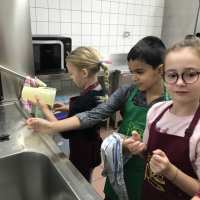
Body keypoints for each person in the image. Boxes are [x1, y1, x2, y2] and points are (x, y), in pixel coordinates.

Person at [26, 36, 168, 200]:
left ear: (160, 70)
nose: (134, 77)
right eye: (132, 71)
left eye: (140, 72)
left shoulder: (173, 101)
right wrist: (53, 127)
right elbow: (94, 114)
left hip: (151, 170)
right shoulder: (128, 92)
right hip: (120, 164)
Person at [126, 38, 200, 199]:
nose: (180, 82)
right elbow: (148, 156)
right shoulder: (156, 111)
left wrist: (170, 172)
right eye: (172, 75)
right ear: (163, 75)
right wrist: (138, 149)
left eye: (191, 74)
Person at [29, 46, 109, 182]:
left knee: (80, 180)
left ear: (84, 73)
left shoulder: (84, 100)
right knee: (87, 175)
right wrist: (66, 108)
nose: (71, 77)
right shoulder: (99, 89)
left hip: (82, 151)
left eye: (71, 73)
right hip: (93, 145)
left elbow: (61, 130)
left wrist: (44, 108)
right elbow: (90, 110)